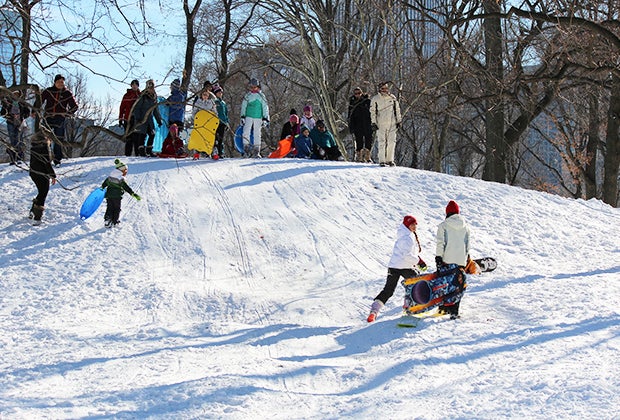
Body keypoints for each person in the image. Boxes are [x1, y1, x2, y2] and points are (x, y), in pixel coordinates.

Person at [368, 215, 427, 322]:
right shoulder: (407, 237)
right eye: (412, 224)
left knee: (388, 290)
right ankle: (408, 307)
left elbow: (408, 253)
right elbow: (407, 256)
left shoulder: (404, 234)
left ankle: (374, 311)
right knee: (415, 286)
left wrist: (418, 259)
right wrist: (419, 262)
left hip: (394, 266)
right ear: (407, 225)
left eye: (415, 224)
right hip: (405, 266)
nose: (414, 227)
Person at [435, 200, 471, 319]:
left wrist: (438, 257)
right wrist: (466, 259)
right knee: (458, 284)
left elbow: (441, 243)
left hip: (447, 259)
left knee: (445, 283)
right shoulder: (465, 226)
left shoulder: (443, 225)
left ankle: (444, 308)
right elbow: (467, 245)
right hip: (460, 260)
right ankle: (455, 310)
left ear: (447, 213)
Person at [41, 74, 78, 166]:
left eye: (62, 82)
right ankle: (45, 159)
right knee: (45, 138)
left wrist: (67, 114)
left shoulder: (67, 93)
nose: (61, 84)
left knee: (58, 138)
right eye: (59, 82)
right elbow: (39, 100)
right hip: (47, 117)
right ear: (55, 82)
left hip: (60, 118)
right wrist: (34, 111)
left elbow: (74, 106)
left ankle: (57, 160)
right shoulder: (48, 91)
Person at [101, 159, 141, 228]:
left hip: (109, 196)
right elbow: (126, 188)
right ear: (122, 171)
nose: (126, 172)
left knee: (109, 207)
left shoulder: (110, 177)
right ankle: (115, 221)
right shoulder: (120, 179)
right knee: (117, 209)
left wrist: (101, 189)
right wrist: (133, 194)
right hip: (117, 197)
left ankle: (107, 220)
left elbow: (104, 184)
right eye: (125, 171)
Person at [127, 79, 162, 157]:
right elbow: (137, 108)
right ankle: (141, 151)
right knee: (142, 135)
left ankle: (149, 150)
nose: (151, 89)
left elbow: (156, 110)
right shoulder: (143, 96)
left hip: (150, 119)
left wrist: (159, 120)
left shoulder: (154, 97)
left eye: (152, 87)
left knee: (152, 134)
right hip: (142, 119)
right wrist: (138, 118)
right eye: (149, 87)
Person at [370, 81, 401, 167]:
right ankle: (382, 160)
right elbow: (372, 112)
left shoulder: (392, 98)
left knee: (392, 141)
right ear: (380, 89)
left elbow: (397, 109)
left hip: (392, 123)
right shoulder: (375, 99)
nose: (385, 90)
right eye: (383, 88)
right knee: (382, 141)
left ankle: (390, 160)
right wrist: (374, 122)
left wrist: (399, 121)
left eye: (386, 88)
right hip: (381, 123)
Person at [28, 132, 57, 225]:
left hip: (33, 173)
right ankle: (37, 217)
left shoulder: (34, 148)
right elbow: (47, 163)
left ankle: (32, 211)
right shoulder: (44, 148)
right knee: (43, 193)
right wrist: (53, 175)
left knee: (41, 192)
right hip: (42, 174)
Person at [240, 78, 270, 157]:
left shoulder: (261, 96)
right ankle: (246, 150)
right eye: (252, 87)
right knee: (246, 132)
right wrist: (242, 116)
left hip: (258, 117)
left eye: (255, 87)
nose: (253, 89)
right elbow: (244, 106)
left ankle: (257, 151)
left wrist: (265, 118)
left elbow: (265, 107)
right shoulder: (248, 96)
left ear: (258, 87)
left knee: (257, 133)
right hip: (248, 116)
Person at [1, 90, 30, 165]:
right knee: (12, 141)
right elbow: (2, 113)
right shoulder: (7, 102)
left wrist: (22, 117)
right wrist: (9, 116)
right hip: (10, 123)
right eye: (14, 93)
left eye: (17, 94)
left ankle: (19, 158)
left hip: (20, 123)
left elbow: (27, 112)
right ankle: (13, 159)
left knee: (19, 140)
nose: (15, 95)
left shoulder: (22, 102)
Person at [348, 87, 373, 163]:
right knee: (359, 141)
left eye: (359, 93)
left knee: (368, 140)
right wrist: (351, 126)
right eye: (356, 93)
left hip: (367, 123)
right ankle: (359, 157)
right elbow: (350, 116)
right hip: (357, 124)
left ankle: (367, 156)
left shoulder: (367, 101)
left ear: (362, 93)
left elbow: (373, 112)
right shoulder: (352, 103)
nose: (357, 95)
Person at [213, 84, 229, 158]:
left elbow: (226, 113)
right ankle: (214, 151)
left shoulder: (223, 103)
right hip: (216, 122)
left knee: (221, 138)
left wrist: (227, 122)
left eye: (221, 92)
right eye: (218, 92)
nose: (220, 94)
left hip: (222, 122)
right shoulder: (215, 101)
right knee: (216, 137)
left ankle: (221, 151)